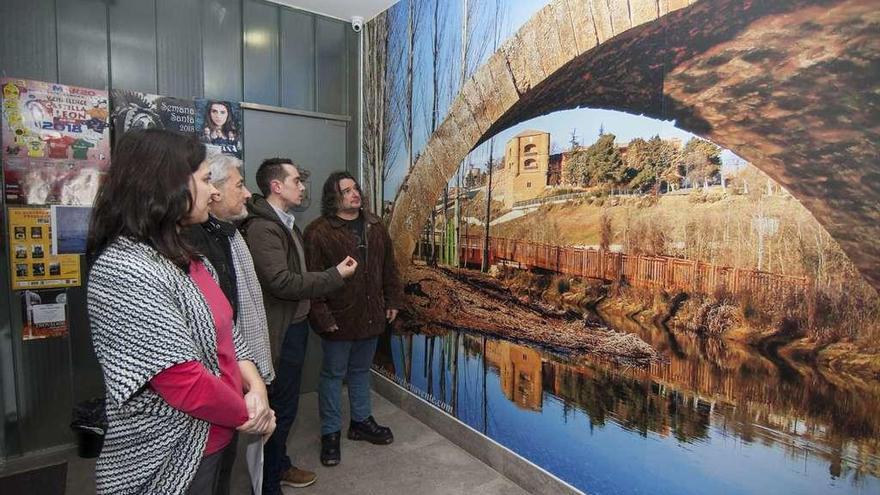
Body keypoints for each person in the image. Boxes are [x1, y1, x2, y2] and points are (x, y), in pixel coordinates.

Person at [87, 129, 275, 495]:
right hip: (172, 454)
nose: (214, 191)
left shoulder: (189, 258)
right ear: (168, 185)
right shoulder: (125, 269)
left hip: (219, 433)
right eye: (206, 180)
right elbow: (182, 381)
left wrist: (256, 388)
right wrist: (250, 414)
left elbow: (228, 331)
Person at [240, 158, 357, 493]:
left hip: (294, 326)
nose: (302, 186)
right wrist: (335, 276)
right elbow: (282, 282)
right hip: (282, 330)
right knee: (279, 406)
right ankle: (269, 480)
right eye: (296, 180)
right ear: (277, 186)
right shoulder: (264, 228)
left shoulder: (286, 224)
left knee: (285, 405)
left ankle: (278, 466)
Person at [182, 153, 275, 494]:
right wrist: (245, 407)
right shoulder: (185, 248)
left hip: (228, 393)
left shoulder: (226, 236)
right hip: (190, 426)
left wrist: (254, 384)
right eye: (205, 181)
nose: (248, 193)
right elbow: (179, 372)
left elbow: (226, 324)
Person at [303, 171, 404, 467]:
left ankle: (360, 422)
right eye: (346, 190)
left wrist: (394, 300)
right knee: (333, 375)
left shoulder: (375, 226)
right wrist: (322, 316)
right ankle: (330, 433)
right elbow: (312, 279)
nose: (354, 194)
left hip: (371, 315)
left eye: (355, 188)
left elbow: (389, 267)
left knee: (360, 372)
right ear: (333, 197)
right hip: (338, 317)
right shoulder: (318, 232)